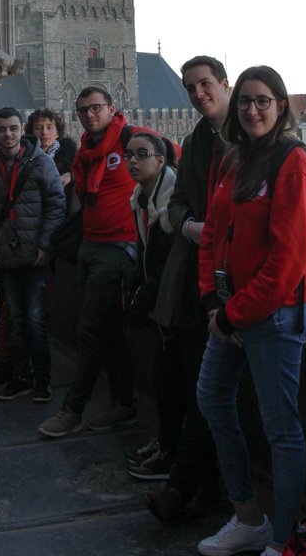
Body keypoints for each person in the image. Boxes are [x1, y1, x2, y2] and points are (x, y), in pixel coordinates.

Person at [196, 65, 306, 556]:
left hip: (276, 314)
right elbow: (212, 234)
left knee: (281, 428)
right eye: (247, 101)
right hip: (232, 310)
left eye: (263, 101)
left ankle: (284, 539)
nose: (252, 110)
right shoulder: (237, 160)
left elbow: (288, 263)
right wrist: (213, 299)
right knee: (211, 398)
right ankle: (248, 516)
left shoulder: (293, 165)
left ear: (281, 105)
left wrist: (231, 315)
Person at [146, 56, 229, 522]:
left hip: (245, 287)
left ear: (223, 82)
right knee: (207, 388)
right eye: (190, 88)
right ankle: (204, 490)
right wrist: (190, 225)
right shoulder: (197, 142)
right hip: (205, 281)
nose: (198, 94)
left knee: (214, 391)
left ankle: (188, 488)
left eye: (205, 85)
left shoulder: (255, 139)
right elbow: (177, 204)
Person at [38, 86, 137, 439]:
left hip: (119, 251)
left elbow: (172, 159)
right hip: (91, 247)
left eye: (96, 108)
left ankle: (73, 408)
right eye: (82, 110)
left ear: (112, 108)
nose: (89, 114)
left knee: (91, 330)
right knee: (109, 333)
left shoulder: (133, 139)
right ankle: (124, 403)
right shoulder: (85, 153)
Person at [0, 107, 65, 403]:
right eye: (1, 129)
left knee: (34, 318)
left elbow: (56, 205)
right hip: (5, 254)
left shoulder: (41, 162)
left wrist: (46, 245)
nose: (7, 134)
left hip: (35, 254)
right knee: (17, 316)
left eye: (12, 128)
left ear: (22, 129)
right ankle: (20, 376)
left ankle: (42, 379)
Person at [124, 129, 180, 481]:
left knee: (174, 380)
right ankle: (165, 441)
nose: (133, 160)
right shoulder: (141, 196)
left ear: (160, 161)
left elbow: (168, 260)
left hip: (177, 303)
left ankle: (173, 453)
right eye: (129, 154)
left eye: (141, 154)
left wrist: (144, 294)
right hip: (161, 299)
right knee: (164, 377)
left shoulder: (169, 200)